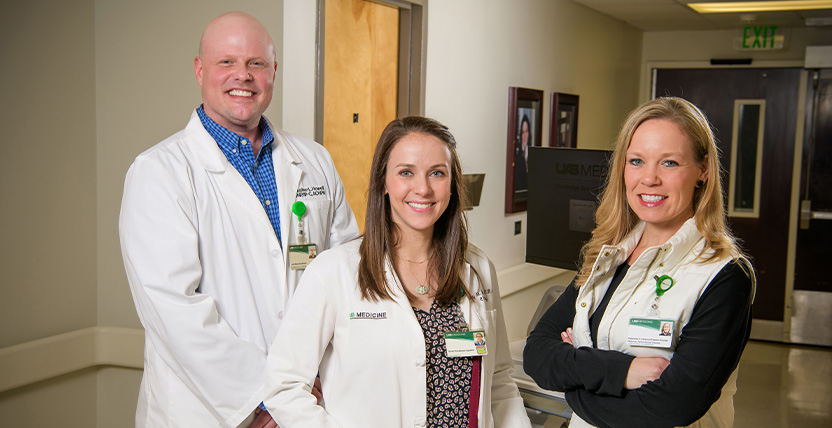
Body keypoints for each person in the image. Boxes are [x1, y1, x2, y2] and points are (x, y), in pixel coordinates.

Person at [119, 11, 358, 428]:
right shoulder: (159, 172)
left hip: (309, 401)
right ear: (199, 70)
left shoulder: (315, 161)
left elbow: (347, 276)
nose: (242, 76)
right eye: (226, 62)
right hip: (216, 411)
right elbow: (174, 308)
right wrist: (267, 399)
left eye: (256, 64)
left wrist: (305, 391)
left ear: (273, 72)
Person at [260, 116, 532, 427]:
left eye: (437, 173)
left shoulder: (477, 268)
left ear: (453, 184)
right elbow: (284, 385)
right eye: (406, 172)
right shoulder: (334, 272)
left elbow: (499, 382)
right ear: (384, 183)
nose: (423, 188)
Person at [523, 97, 756, 428]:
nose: (649, 179)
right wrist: (625, 371)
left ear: (703, 170)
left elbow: (674, 404)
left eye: (669, 163)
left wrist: (576, 380)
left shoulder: (725, 275)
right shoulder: (607, 255)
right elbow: (538, 355)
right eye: (636, 161)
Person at [513, 114, 531, 191]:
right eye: (523, 132)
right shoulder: (517, 156)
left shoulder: (533, 154)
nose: (524, 135)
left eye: (526, 131)